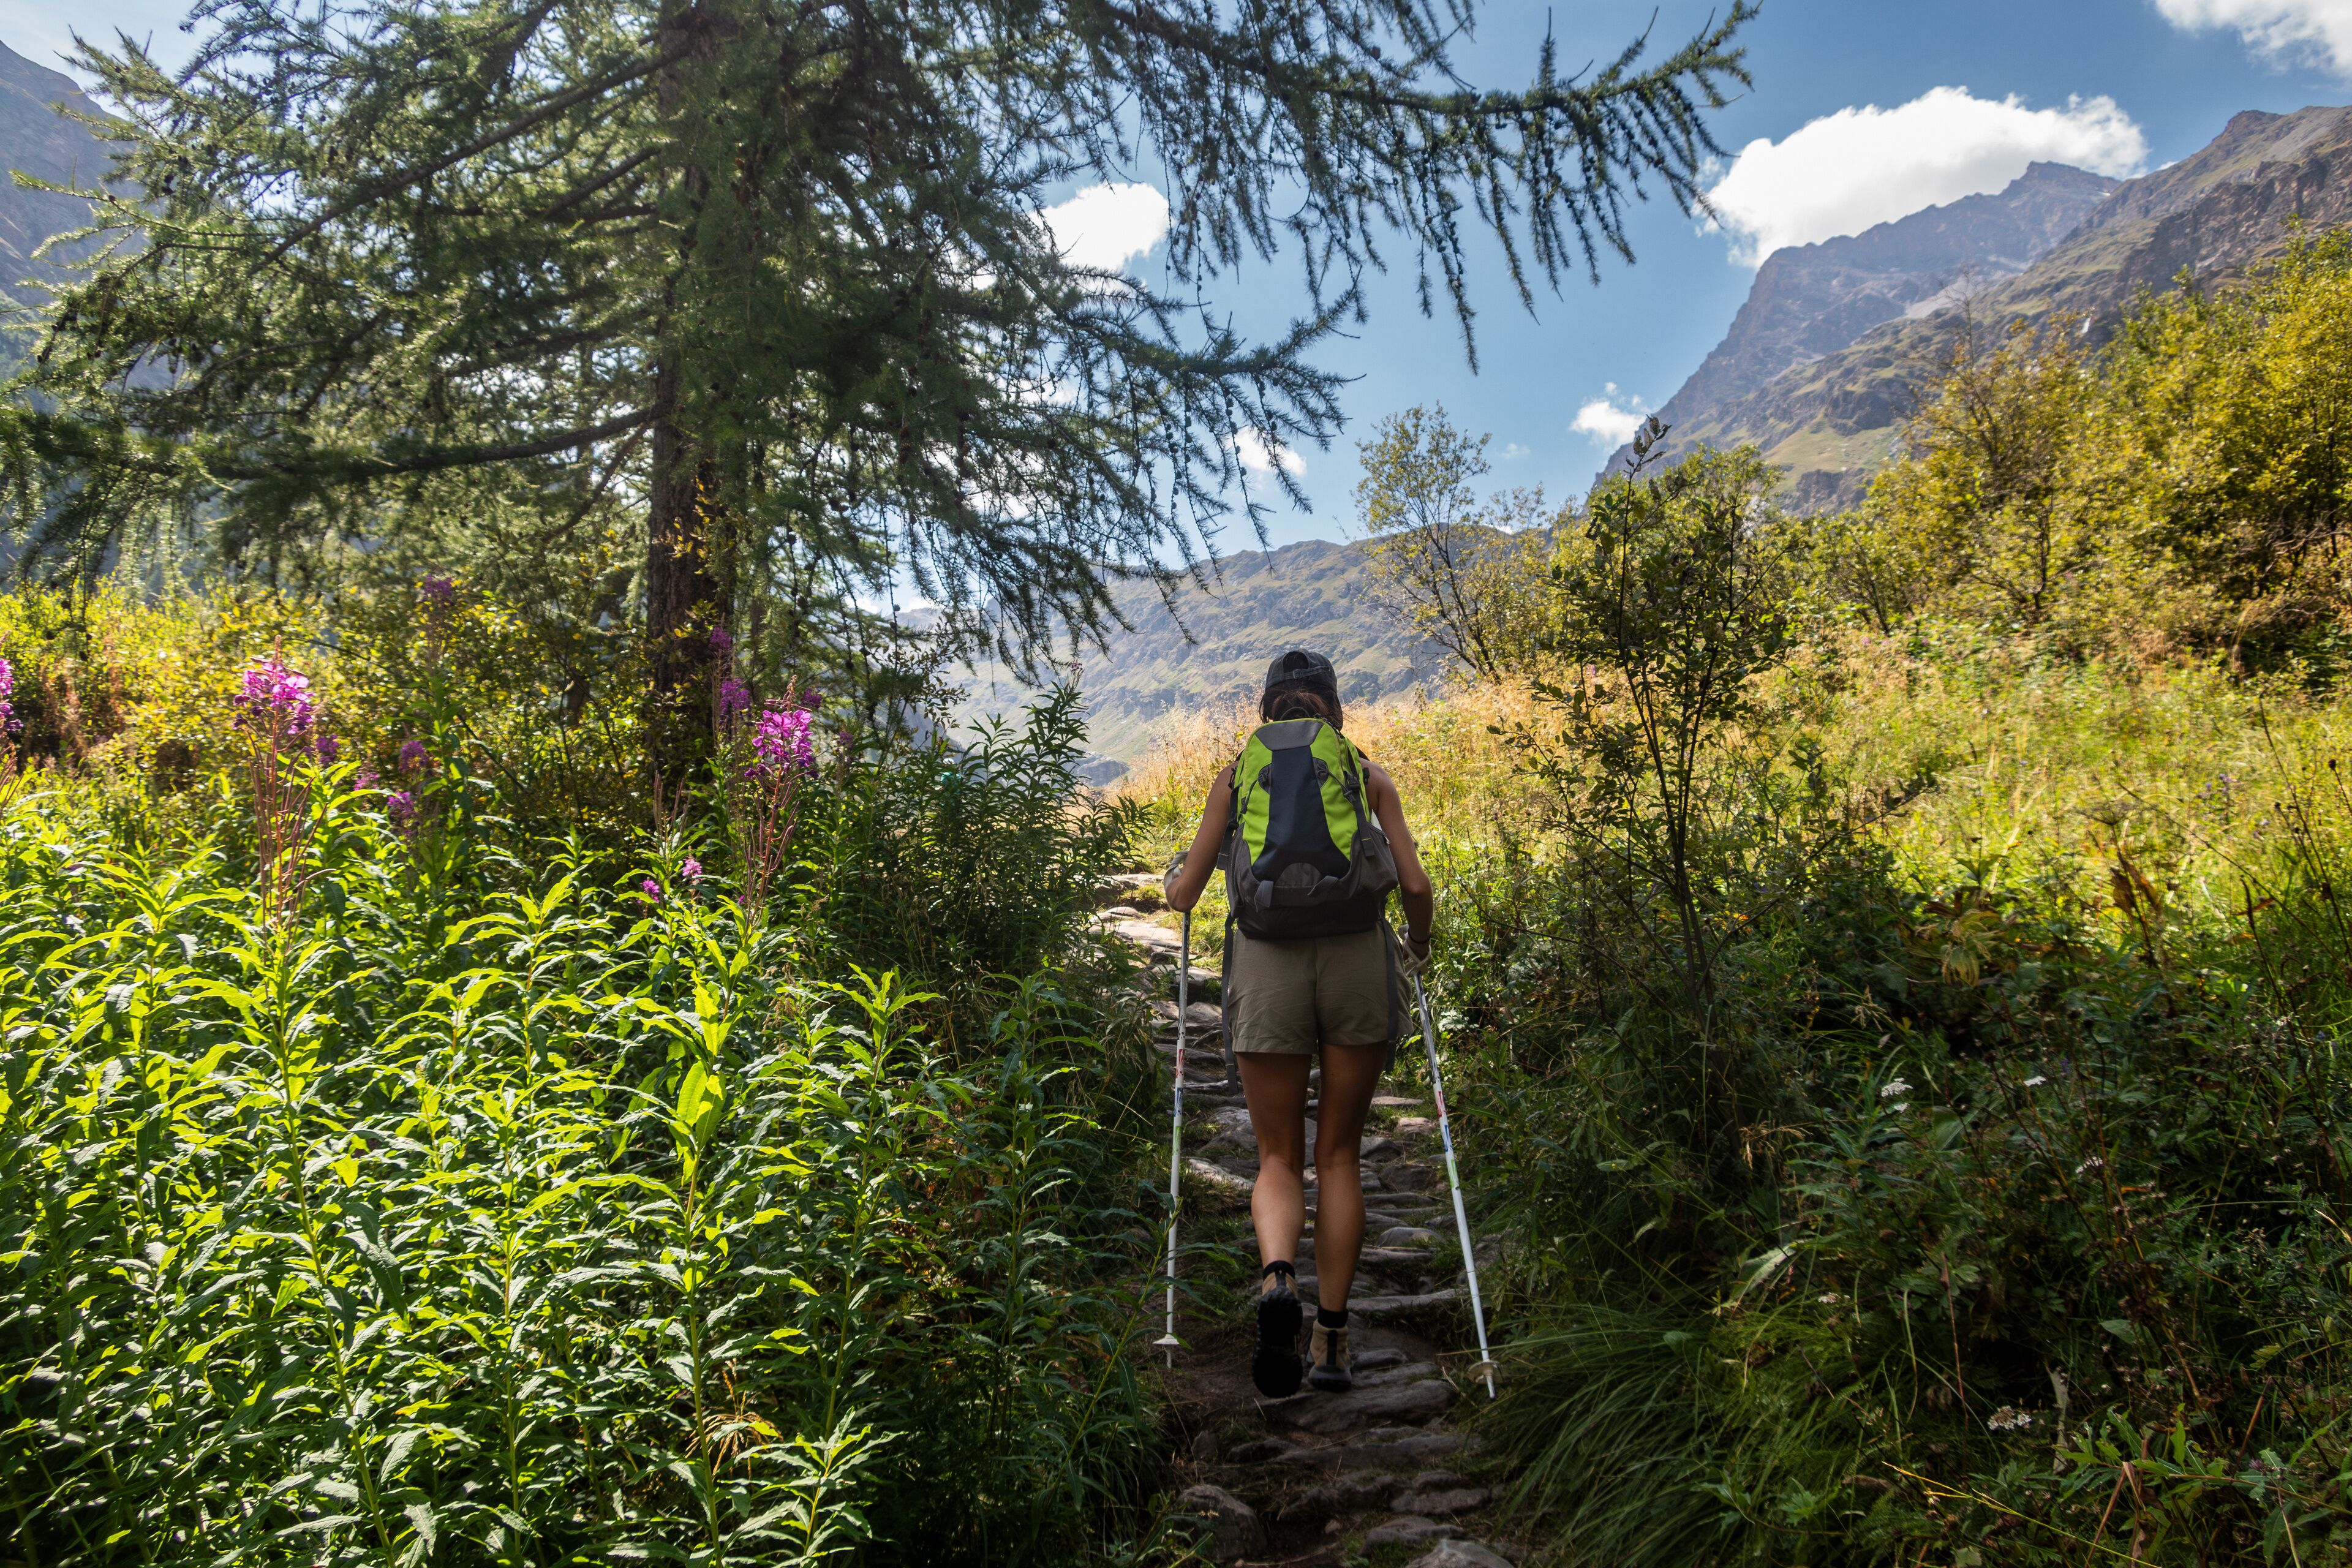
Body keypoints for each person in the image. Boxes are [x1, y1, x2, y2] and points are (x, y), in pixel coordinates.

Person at [1164, 649, 1434, 1397]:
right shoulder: (1365, 771)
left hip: (1266, 966)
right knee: (1340, 1154)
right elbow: (1414, 883)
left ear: (1269, 708)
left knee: (1278, 1157)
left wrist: (1168, 883)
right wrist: (1418, 942)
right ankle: (1333, 1340)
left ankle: (1277, 1277)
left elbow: (1186, 893)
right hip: (1355, 963)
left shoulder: (1235, 774)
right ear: (1331, 708)